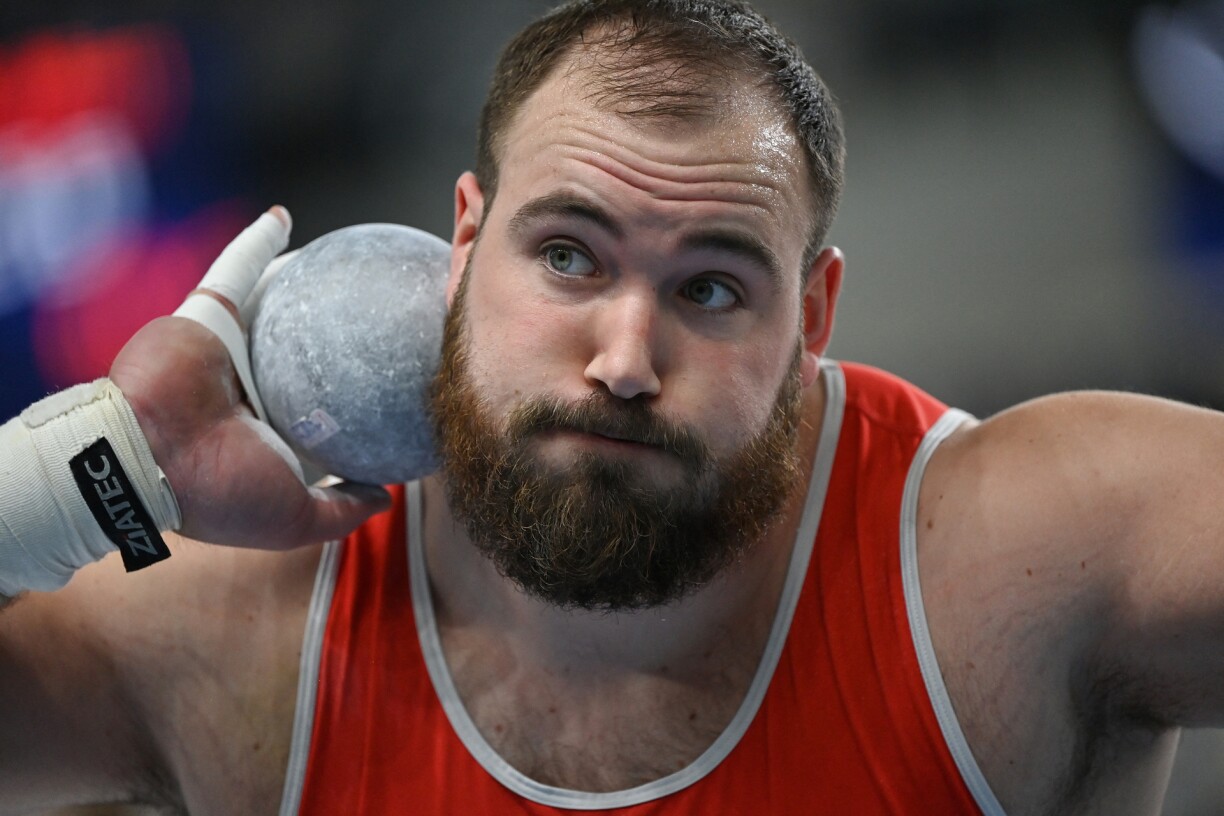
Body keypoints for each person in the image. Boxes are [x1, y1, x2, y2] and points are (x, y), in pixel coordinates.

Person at [0, 1, 1219, 813]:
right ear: (465, 244)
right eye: (571, 258)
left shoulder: (1024, 555)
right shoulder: (240, 628)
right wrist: (92, 471)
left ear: (815, 316)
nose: (627, 357)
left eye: (710, 285)